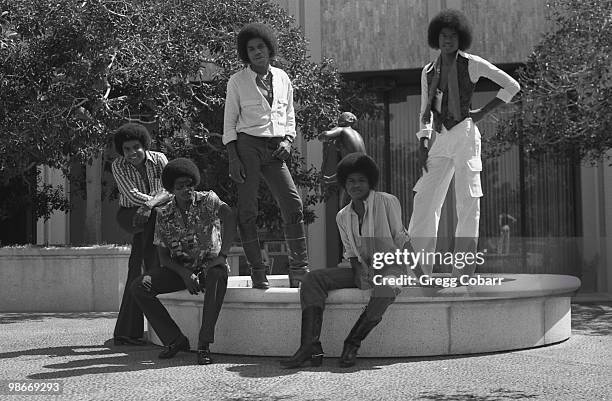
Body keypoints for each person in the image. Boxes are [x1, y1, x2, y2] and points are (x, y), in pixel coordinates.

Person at [408, 9, 520, 278]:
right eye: (444, 36)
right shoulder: (428, 70)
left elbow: (512, 86)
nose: (448, 40)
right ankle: (417, 269)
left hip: (466, 136)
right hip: (440, 138)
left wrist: (482, 112)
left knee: (468, 202)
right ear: (437, 38)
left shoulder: (472, 63)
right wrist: (423, 141)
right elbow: (426, 109)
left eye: (453, 36)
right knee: (424, 200)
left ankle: (463, 271)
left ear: (461, 39)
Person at [281, 153, 410, 369]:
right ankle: (309, 347)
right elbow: (350, 251)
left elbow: (401, 236)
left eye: (361, 180)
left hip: (390, 268)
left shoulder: (387, 201)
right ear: (344, 184)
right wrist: (358, 271)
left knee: (387, 288)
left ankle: (352, 343)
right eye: (350, 181)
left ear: (370, 182)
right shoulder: (342, 215)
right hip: (362, 268)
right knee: (313, 279)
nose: (355, 185)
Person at [223, 23, 308, 289]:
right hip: (247, 146)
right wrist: (233, 158)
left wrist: (288, 140)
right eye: (251, 49)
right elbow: (229, 122)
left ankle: (300, 270)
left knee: (293, 205)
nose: (257, 52)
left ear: (269, 48)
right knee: (248, 211)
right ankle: (258, 273)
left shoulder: (283, 77)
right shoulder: (237, 81)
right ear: (245, 54)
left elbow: (289, 115)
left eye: (261, 47)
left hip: (276, 149)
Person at [131, 158, 236, 365]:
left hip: (210, 267)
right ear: (171, 189)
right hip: (181, 270)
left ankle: (204, 344)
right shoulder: (164, 214)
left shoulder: (208, 200)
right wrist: (185, 274)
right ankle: (174, 339)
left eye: (190, 184)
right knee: (139, 287)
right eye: (180, 186)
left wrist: (223, 256)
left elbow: (231, 217)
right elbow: (163, 257)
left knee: (218, 274)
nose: (187, 189)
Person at [111, 123, 170, 346]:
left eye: (136, 147)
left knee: (137, 265)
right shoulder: (118, 165)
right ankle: (156, 267)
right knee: (153, 217)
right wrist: (152, 204)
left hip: (153, 215)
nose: (132, 153)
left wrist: (151, 205)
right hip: (129, 214)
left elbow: (169, 188)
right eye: (126, 149)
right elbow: (131, 194)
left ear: (144, 145)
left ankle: (126, 332)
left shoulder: (160, 159)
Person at [318, 112, 367, 186]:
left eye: (341, 117)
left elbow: (325, 135)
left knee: (348, 193)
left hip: (353, 170)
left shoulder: (342, 129)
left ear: (347, 120)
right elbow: (348, 169)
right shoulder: (357, 134)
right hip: (364, 168)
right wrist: (329, 178)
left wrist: (324, 134)